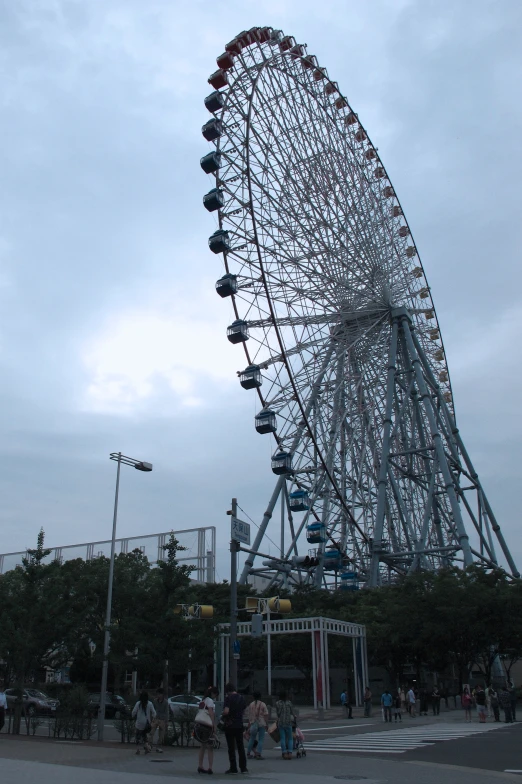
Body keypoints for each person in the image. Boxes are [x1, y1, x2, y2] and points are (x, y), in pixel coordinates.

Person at [222, 682, 247, 774]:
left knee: (231, 747)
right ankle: (243, 768)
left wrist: (223, 714)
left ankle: (233, 768)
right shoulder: (241, 698)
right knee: (240, 746)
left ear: (227, 691)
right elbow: (244, 711)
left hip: (230, 725)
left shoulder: (228, 698)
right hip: (239, 724)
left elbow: (226, 711)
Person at [198, 686, 219, 774]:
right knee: (210, 747)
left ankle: (200, 765)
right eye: (216, 694)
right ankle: (210, 767)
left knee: (202, 746)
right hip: (207, 725)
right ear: (213, 693)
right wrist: (214, 725)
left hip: (201, 724)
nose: (216, 697)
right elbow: (210, 712)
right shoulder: (210, 701)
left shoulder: (203, 700)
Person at [246, 690, 268, 760]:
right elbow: (266, 715)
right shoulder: (263, 704)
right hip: (261, 723)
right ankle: (258, 754)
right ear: (260, 697)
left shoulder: (251, 704)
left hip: (253, 723)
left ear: (253, 697)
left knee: (252, 738)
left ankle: (248, 753)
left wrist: (249, 725)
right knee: (261, 739)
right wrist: (266, 724)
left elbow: (249, 716)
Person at [276, 690, 296, 760]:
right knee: (290, 738)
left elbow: (278, 714)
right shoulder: (289, 703)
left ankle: (284, 753)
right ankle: (290, 753)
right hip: (288, 722)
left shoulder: (277, 703)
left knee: (282, 738)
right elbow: (293, 713)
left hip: (281, 723)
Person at [151, 688, 170, 753]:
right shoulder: (155, 701)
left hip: (162, 719)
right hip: (156, 718)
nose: (158, 695)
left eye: (160, 694)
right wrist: (152, 717)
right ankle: (149, 745)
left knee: (161, 734)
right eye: (157, 694)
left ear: (162, 695)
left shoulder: (165, 702)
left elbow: (167, 712)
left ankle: (158, 746)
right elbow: (153, 709)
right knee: (151, 731)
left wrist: (166, 721)